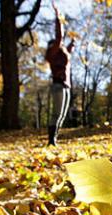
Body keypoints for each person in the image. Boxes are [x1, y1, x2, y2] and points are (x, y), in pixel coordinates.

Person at [45, 1, 75, 146]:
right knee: (56, 113)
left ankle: (54, 139)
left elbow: (67, 53)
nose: (58, 45)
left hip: (66, 86)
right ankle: (51, 141)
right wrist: (58, 19)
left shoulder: (61, 54)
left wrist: (73, 43)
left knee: (62, 115)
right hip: (58, 85)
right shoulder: (53, 52)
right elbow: (59, 37)